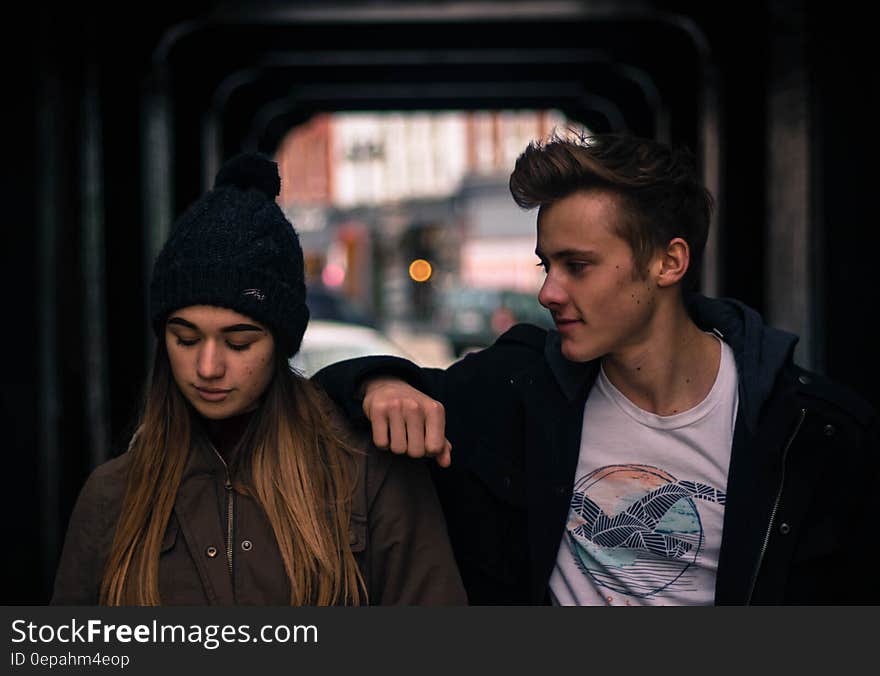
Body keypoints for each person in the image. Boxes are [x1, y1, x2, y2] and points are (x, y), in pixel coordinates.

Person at [314, 132, 879, 605]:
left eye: (577, 266)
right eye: (546, 265)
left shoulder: (810, 431)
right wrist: (380, 383)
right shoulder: (518, 387)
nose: (547, 291)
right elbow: (313, 399)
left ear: (669, 261)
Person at [51, 153, 465, 606]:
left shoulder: (368, 474)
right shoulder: (112, 495)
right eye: (185, 339)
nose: (208, 367)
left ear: (280, 342)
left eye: (239, 342)